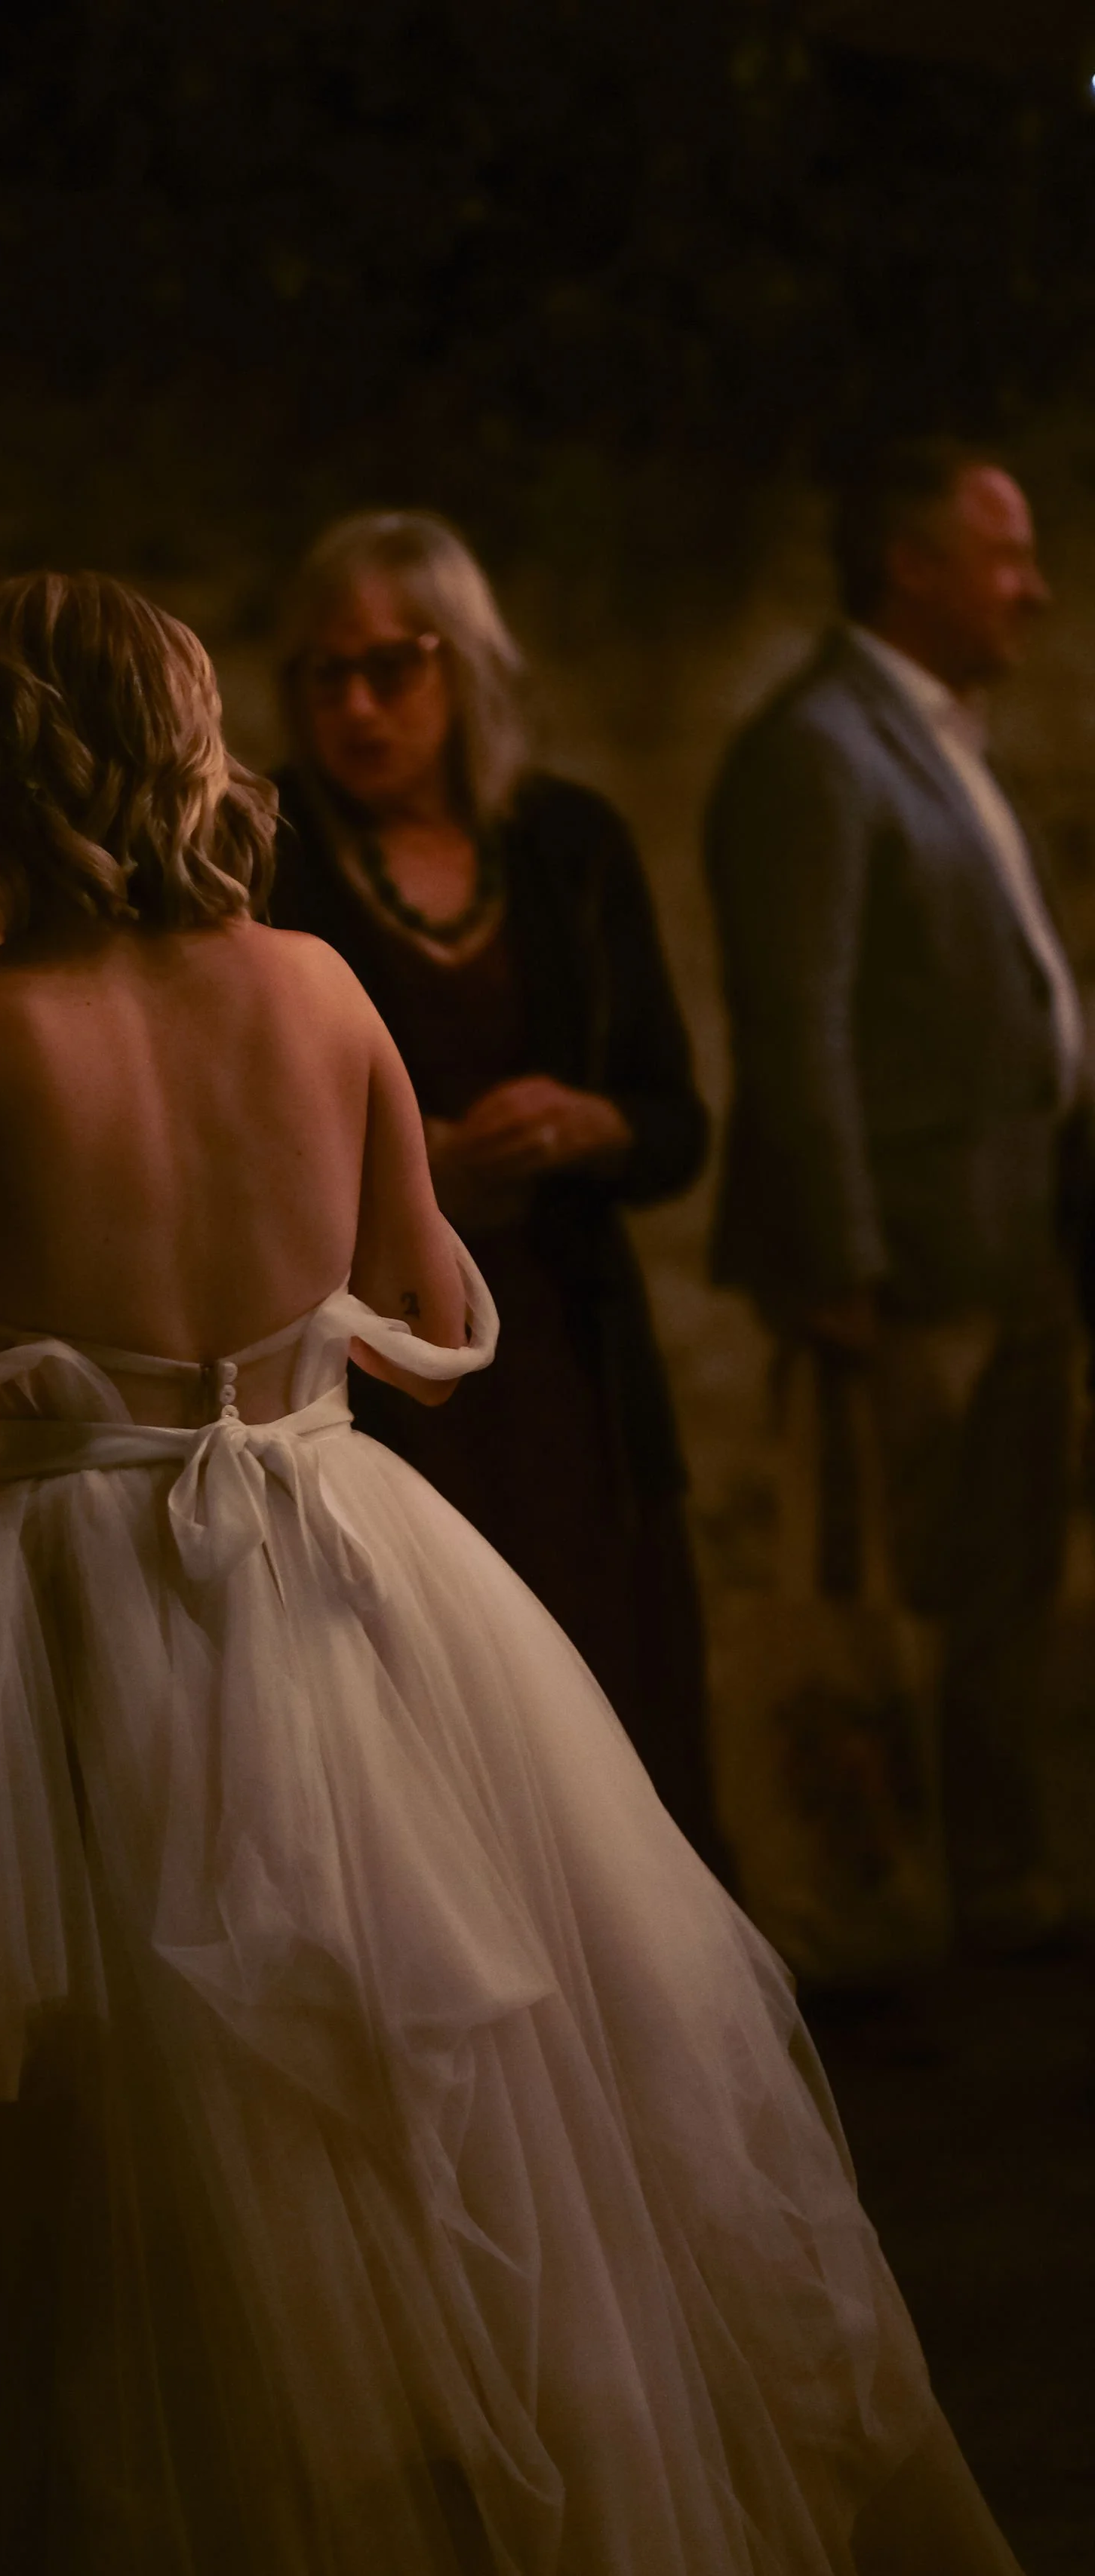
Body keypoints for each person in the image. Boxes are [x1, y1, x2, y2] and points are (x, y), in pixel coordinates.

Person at [0, 573, 1085, 2576]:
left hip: (38, 1630)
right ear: (188, 750)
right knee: (414, 2118)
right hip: (335, 1589)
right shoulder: (318, 993)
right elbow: (426, 1323)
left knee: (56, 2164)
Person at [269, 511, 724, 1876]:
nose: (357, 705)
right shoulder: (275, 853)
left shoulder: (568, 845)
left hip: (570, 1344)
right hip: (390, 1371)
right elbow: (240, 1129)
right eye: (324, 675)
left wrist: (589, 1124)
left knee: (611, 1685)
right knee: (433, 1725)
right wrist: (417, 1170)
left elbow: (675, 1122)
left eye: (392, 666)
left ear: (466, 667)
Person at [707, 441, 1087, 1950]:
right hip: (907, 1272)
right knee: (867, 1618)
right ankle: (864, 1911)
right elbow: (799, 1023)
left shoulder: (938, 736)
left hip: (1014, 1250)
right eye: (1008, 556)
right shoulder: (817, 747)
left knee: (998, 1606)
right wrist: (844, 1263)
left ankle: (994, 1885)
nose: (1037, 588)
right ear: (911, 566)